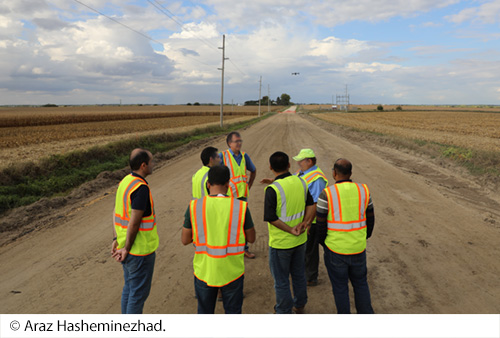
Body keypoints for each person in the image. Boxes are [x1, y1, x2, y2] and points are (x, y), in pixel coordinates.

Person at [182, 165, 256, 314]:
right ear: (228, 185)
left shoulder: (194, 206)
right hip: (232, 272)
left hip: (205, 271)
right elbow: (252, 238)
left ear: (208, 184)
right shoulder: (240, 207)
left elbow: (185, 239)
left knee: (205, 312)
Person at [316, 158, 375, 314]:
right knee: (361, 284)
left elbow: (320, 224)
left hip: (335, 251)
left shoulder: (326, 194)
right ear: (350, 173)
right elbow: (371, 218)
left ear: (334, 173)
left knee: (340, 288)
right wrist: (363, 237)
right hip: (358, 248)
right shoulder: (364, 190)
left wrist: (323, 243)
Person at [264, 151, 315, 314]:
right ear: (288, 165)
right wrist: (304, 224)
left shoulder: (272, 189)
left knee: (281, 280)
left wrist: (290, 230)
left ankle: (283, 310)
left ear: (271, 168)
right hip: (300, 241)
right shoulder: (301, 182)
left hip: (281, 244)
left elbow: (271, 217)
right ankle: (300, 304)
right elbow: (312, 206)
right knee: (299, 275)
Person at [112, 148, 158, 314]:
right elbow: (134, 222)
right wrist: (128, 247)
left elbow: (116, 211)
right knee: (138, 295)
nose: (154, 164)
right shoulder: (140, 188)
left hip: (126, 247)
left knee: (129, 289)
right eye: (152, 161)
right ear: (144, 165)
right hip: (139, 251)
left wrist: (116, 239)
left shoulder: (125, 181)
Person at [292, 149, 328, 287]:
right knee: (304, 248)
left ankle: (311, 277)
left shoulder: (317, 178)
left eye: (301, 160)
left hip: (311, 221)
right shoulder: (302, 173)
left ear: (309, 161)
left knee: (310, 250)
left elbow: (316, 203)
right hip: (303, 218)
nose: (298, 163)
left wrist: (307, 223)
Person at [221, 131, 257, 259]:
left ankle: (244, 249)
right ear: (229, 143)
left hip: (242, 196)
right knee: (228, 223)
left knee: (242, 223)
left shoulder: (244, 156)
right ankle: (227, 248)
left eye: (240, 141)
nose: (239, 143)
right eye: (237, 141)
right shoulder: (222, 156)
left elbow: (253, 170)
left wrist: (249, 186)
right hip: (228, 197)